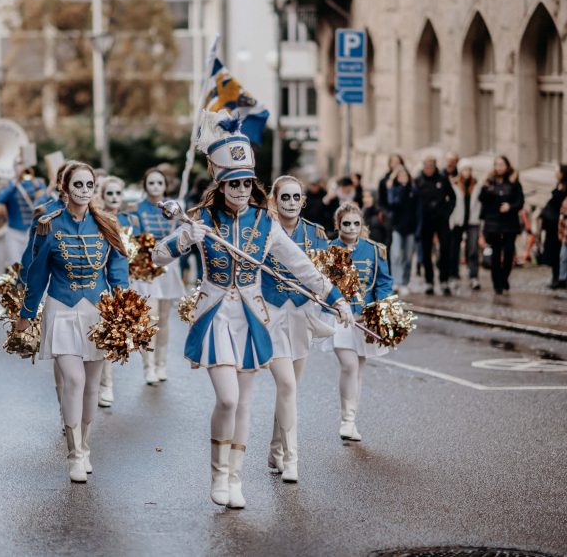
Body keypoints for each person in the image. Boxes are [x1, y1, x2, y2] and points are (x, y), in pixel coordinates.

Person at [152, 132, 351, 509]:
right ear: (221, 185)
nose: (241, 189)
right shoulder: (202, 219)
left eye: (246, 182)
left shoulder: (265, 223)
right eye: (234, 183)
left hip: (251, 318)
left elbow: (302, 267)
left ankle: (236, 478)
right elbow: (158, 257)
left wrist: (336, 299)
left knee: (244, 403)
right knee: (227, 400)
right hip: (215, 316)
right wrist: (184, 240)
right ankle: (217, 475)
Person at [16, 162, 130, 484]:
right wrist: (26, 315)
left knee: (92, 385)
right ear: (65, 189)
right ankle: (74, 454)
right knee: (75, 380)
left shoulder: (106, 223)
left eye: (89, 185)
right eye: (77, 185)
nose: (84, 190)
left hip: (97, 311)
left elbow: (118, 271)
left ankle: (86, 446)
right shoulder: (48, 225)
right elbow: (37, 275)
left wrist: (123, 309)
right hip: (61, 309)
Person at [262, 175, 331, 483]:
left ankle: (276, 449)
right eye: (284, 197)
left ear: (304, 200)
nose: (290, 203)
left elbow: (328, 274)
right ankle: (292, 459)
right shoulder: (263, 231)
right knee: (287, 386)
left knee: (289, 389)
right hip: (271, 314)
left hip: (302, 316)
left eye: (296, 197)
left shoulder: (316, 234)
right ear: (274, 200)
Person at [316, 202, 392, 442]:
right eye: (346, 223)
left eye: (356, 223)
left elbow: (384, 282)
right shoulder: (328, 249)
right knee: (349, 365)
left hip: (364, 318)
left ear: (362, 225)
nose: (351, 228)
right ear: (337, 224)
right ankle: (346, 420)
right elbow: (320, 283)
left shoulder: (374, 250)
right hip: (338, 317)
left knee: (359, 368)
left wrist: (380, 308)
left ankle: (351, 420)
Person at [134, 167, 186, 385]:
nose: (155, 187)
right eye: (151, 182)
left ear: (165, 186)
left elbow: (184, 236)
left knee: (164, 320)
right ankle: (149, 367)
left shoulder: (175, 207)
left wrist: (182, 220)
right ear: (145, 185)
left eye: (159, 183)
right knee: (150, 318)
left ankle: (161, 363)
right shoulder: (137, 209)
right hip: (146, 267)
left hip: (169, 267)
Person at [95, 176, 137, 408]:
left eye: (117, 193)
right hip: (103, 284)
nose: (113, 198)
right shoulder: (99, 220)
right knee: (103, 336)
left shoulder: (129, 220)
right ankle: (102, 385)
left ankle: (107, 384)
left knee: (115, 336)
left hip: (128, 279)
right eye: (108, 194)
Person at [479, 156, 525, 295]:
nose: (499, 167)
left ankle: (504, 276)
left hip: (509, 222)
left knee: (509, 252)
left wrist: (510, 206)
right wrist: (485, 188)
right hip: (493, 222)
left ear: (507, 165)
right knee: (495, 253)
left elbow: (520, 201)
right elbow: (482, 200)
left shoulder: (513, 182)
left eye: (501, 164)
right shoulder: (489, 181)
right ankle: (497, 283)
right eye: (496, 164)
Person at [415, 155, 456, 295]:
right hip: (426, 221)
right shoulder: (418, 181)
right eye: (426, 167)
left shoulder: (442, 179)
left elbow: (452, 197)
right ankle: (429, 281)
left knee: (444, 248)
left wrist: (447, 212)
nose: (429, 169)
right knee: (426, 252)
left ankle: (444, 280)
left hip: (441, 220)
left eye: (431, 166)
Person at [450, 160, 482, 291]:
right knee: (455, 249)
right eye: (464, 170)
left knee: (473, 249)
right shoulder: (455, 184)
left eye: (469, 169)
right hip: (458, 220)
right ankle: (453, 275)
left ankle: (473, 275)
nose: (467, 172)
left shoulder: (477, 184)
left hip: (473, 221)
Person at [540, 164, 567, 289]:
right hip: (552, 224)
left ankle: (562, 277)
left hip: (560, 224)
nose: (555, 172)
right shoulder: (558, 185)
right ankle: (556, 276)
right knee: (553, 252)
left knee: (562, 252)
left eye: (557, 170)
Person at [386, 166, 417, 293]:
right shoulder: (394, 190)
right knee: (396, 255)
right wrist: (399, 189)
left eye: (405, 176)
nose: (403, 178)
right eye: (400, 176)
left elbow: (417, 210)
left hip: (410, 228)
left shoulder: (414, 191)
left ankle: (405, 282)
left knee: (408, 257)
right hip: (397, 227)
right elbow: (393, 203)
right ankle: (397, 281)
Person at [377, 154, 405, 246]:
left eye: (398, 162)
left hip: (403, 214)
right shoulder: (384, 180)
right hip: (389, 214)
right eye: (393, 162)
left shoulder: (405, 179)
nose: (395, 165)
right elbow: (381, 199)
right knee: (389, 240)